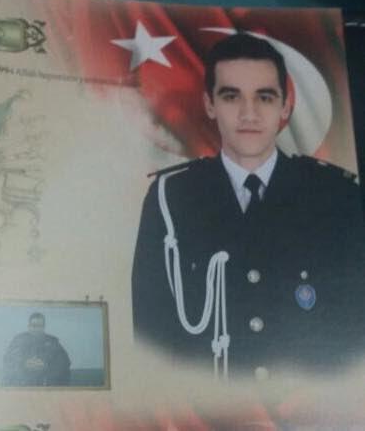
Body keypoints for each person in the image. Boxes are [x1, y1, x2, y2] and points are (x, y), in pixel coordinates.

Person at [132, 33, 365, 380]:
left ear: (285, 106)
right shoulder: (170, 198)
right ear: (210, 104)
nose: (249, 113)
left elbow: (354, 333)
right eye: (231, 96)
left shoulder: (337, 197)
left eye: (265, 97)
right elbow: (152, 337)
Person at [3, 312, 71, 386]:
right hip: (23, 383)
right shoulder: (18, 340)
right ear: (29, 326)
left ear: (43, 327)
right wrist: (24, 363)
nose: (36, 329)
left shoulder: (52, 342)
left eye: (39, 326)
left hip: (45, 383)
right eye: (33, 325)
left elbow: (65, 362)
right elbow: (8, 359)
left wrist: (45, 364)